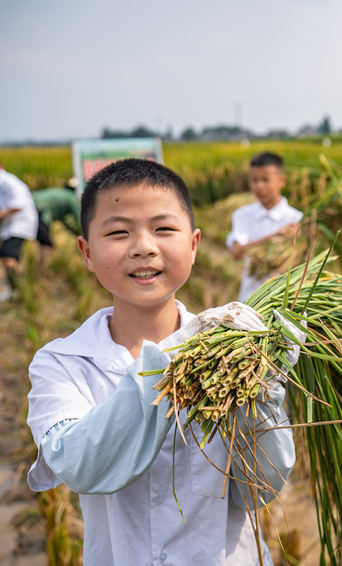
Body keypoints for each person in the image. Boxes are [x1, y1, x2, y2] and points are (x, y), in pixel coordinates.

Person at [26, 159, 297, 565]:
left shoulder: (233, 356)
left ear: (194, 244)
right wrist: (178, 351)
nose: (143, 247)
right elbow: (79, 464)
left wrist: (265, 389)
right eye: (118, 232)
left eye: (164, 229)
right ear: (86, 252)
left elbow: (258, 487)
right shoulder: (62, 364)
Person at [227, 152, 302, 302]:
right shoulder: (242, 215)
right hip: (250, 299)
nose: (259, 186)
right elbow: (237, 252)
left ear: (282, 181)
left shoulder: (296, 219)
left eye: (265, 180)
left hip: (285, 300)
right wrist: (276, 235)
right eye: (254, 180)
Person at [0, 162, 39, 300]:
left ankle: (21, 288)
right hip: (9, 226)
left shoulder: (10, 182)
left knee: (8, 256)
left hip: (19, 224)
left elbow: (17, 205)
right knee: (8, 257)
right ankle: (17, 290)